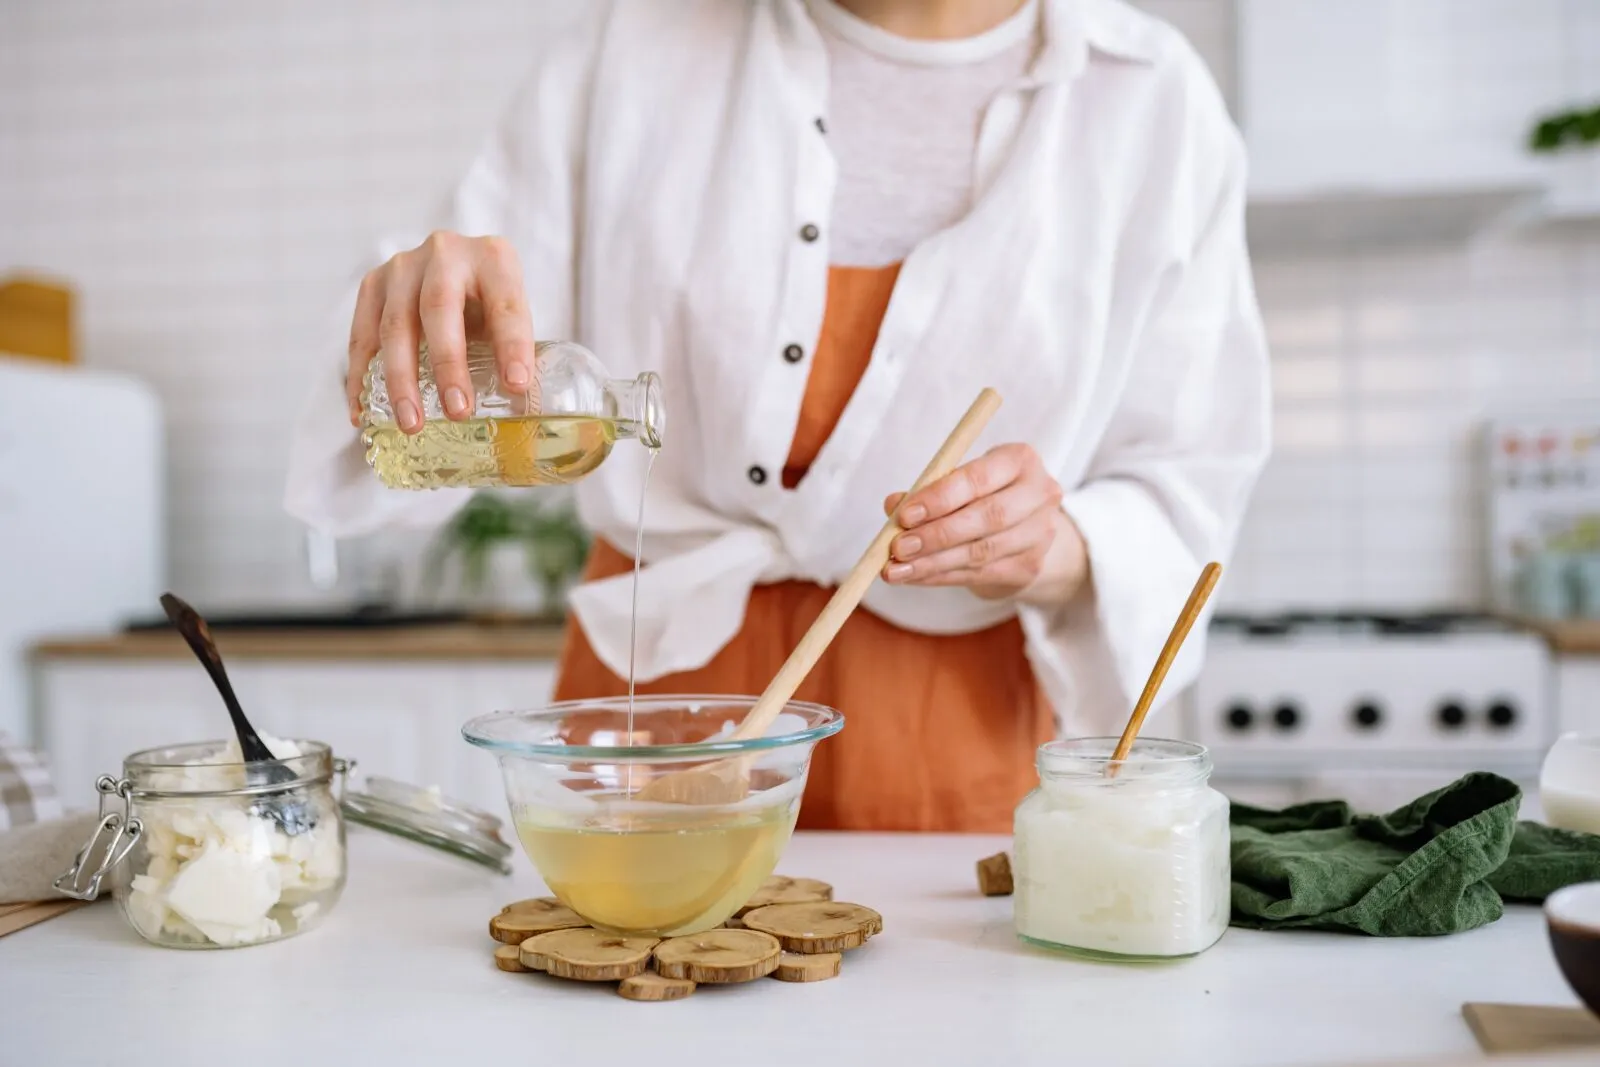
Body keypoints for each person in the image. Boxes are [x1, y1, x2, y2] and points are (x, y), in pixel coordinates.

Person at [285, 0, 1271, 833]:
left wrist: (1051, 543)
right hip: (646, 714)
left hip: (952, 745)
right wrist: (412, 330)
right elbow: (421, 410)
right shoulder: (636, 49)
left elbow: (1189, 478)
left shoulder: (1155, 104)